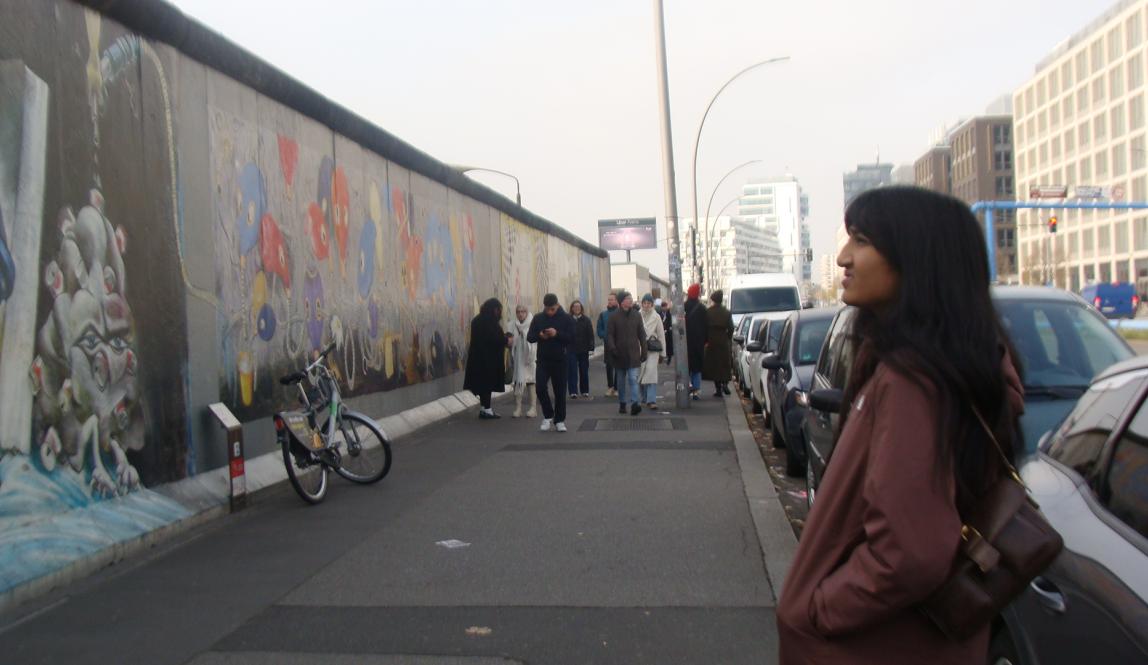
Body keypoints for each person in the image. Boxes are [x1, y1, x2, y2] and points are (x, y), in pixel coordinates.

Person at [775, 187, 1026, 664]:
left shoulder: (912, 379)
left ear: (918, 258)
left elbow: (911, 554)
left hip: (876, 647)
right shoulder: (952, 364)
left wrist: (815, 609)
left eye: (862, 240)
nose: (844, 257)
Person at [527, 293, 575, 432]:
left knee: (560, 391)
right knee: (540, 388)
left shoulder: (566, 318)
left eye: (552, 309)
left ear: (557, 305)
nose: (549, 312)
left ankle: (559, 420)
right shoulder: (538, 318)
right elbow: (530, 337)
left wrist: (557, 334)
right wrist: (539, 335)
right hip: (543, 360)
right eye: (547, 309)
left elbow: (571, 338)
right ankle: (548, 415)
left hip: (560, 360)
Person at [462, 298, 511, 419]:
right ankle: (487, 409)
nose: (499, 313)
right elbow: (493, 339)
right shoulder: (489, 321)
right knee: (487, 385)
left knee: (482, 385)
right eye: (499, 310)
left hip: (478, 359)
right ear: (494, 309)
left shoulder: (477, 320)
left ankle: (484, 408)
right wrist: (506, 340)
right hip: (488, 360)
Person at [605, 291, 647, 416]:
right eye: (628, 298)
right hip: (619, 354)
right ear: (622, 301)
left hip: (633, 353)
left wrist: (644, 350)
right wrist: (612, 348)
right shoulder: (614, 316)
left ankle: (635, 404)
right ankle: (622, 403)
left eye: (631, 298)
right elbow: (609, 335)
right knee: (621, 381)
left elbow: (642, 334)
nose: (631, 300)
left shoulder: (636, 315)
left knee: (633, 379)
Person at [702, 289, 734, 397]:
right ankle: (725, 383)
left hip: (712, 340)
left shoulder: (708, 312)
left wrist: (706, 340)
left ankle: (718, 389)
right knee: (724, 363)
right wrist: (728, 337)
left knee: (714, 364)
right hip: (723, 339)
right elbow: (731, 327)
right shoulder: (727, 312)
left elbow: (704, 328)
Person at [509, 304, 537, 418]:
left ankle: (533, 408)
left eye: (523, 311)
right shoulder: (512, 325)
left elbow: (535, 341)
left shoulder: (533, 323)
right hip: (518, 359)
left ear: (527, 312)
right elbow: (510, 341)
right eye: (518, 311)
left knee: (531, 382)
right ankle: (518, 408)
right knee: (518, 382)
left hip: (530, 358)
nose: (520, 314)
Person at [639, 294, 667, 409]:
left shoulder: (657, 317)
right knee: (641, 374)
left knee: (651, 372)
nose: (646, 305)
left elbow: (661, 335)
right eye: (645, 303)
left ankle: (651, 400)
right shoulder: (637, 315)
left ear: (652, 304)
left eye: (649, 303)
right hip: (640, 348)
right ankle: (644, 397)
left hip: (652, 348)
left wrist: (663, 354)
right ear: (642, 304)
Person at [567, 300, 595, 399]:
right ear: (572, 308)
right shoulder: (568, 320)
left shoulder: (586, 320)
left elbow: (590, 335)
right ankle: (573, 391)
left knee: (584, 371)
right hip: (571, 349)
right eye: (575, 307)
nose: (577, 308)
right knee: (572, 371)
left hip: (583, 349)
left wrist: (591, 348)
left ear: (581, 308)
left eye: (578, 307)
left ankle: (585, 391)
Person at [684, 284, 706, 400]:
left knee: (685, 367)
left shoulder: (683, 307)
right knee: (696, 368)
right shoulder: (702, 308)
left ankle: (687, 387)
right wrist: (705, 340)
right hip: (698, 342)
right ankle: (696, 391)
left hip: (685, 342)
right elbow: (706, 326)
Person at [596, 292, 619, 396]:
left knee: (619, 366)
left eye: (612, 299)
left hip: (619, 344)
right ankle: (610, 387)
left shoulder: (620, 313)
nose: (610, 301)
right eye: (609, 299)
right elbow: (599, 329)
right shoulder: (603, 314)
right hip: (608, 345)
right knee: (609, 366)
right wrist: (605, 336)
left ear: (617, 301)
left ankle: (617, 388)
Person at [659, 299, 674, 365]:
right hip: (661, 331)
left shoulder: (669, 314)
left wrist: (670, 328)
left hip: (668, 332)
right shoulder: (659, 314)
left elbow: (671, 322)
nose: (664, 308)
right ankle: (662, 357)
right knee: (662, 345)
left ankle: (669, 358)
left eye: (665, 306)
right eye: (663, 307)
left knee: (669, 345)